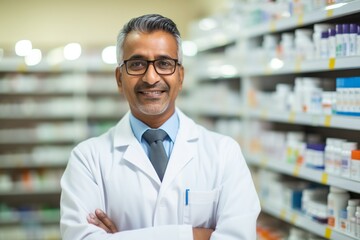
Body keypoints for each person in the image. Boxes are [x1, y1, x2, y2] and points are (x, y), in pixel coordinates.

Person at [60, 14, 261, 240]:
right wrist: (197, 235)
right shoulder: (87, 159)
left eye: (164, 63)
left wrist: (122, 237)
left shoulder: (224, 153)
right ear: (119, 78)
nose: (151, 77)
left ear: (181, 76)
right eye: (137, 64)